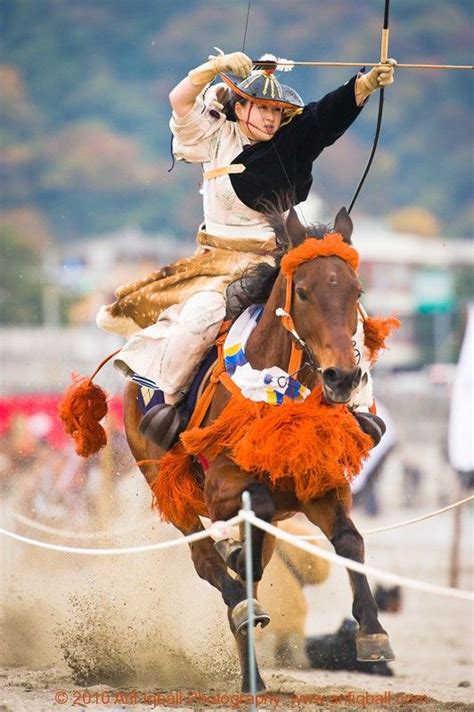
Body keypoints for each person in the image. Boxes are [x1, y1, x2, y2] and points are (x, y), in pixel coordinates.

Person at [97, 50, 395, 449]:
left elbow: (323, 119)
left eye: (277, 110)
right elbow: (179, 101)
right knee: (200, 316)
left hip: (275, 259)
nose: (272, 118)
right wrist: (212, 69)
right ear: (240, 105)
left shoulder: (290, 141)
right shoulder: (215, 134)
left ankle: (359, 406)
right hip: (218, 263)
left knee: (344, 313)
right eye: (262, 108)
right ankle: (168, 404)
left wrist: (363, 85)